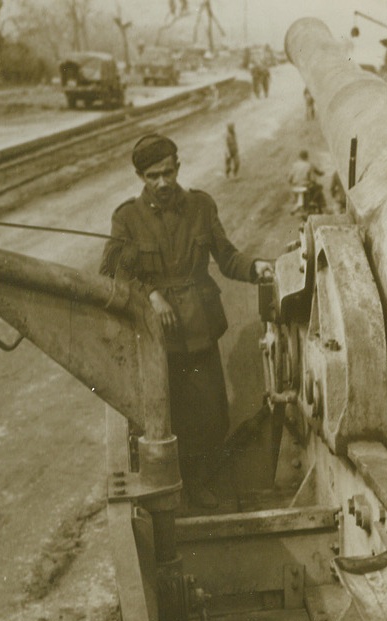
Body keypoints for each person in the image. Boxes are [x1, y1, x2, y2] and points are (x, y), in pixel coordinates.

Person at [100, 134, 273, 509]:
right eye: (152, 176)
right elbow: (113, 271)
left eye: (167, 173)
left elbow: (227, 257)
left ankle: (200, 484)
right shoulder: (127, 217)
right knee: (165, 421)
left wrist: (256, 267)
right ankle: (174, 492)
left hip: (200, 331)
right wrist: (151, 295)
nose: (162, 183)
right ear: (140, 177)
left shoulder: (201, 206)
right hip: (155, 338)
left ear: (178, 168)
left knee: (213, 417)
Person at [288, 150, 325, 214]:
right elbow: (316, 175)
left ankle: (297, 204)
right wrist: (322, 173)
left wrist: (292, 183)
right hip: (306, 186)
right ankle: (316, 203)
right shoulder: (309, 165)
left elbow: (289, 178)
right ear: (307, 156)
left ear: (299, 157)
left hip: (296, 186)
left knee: (295, 194)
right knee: (319, 187)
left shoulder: (294, 165)